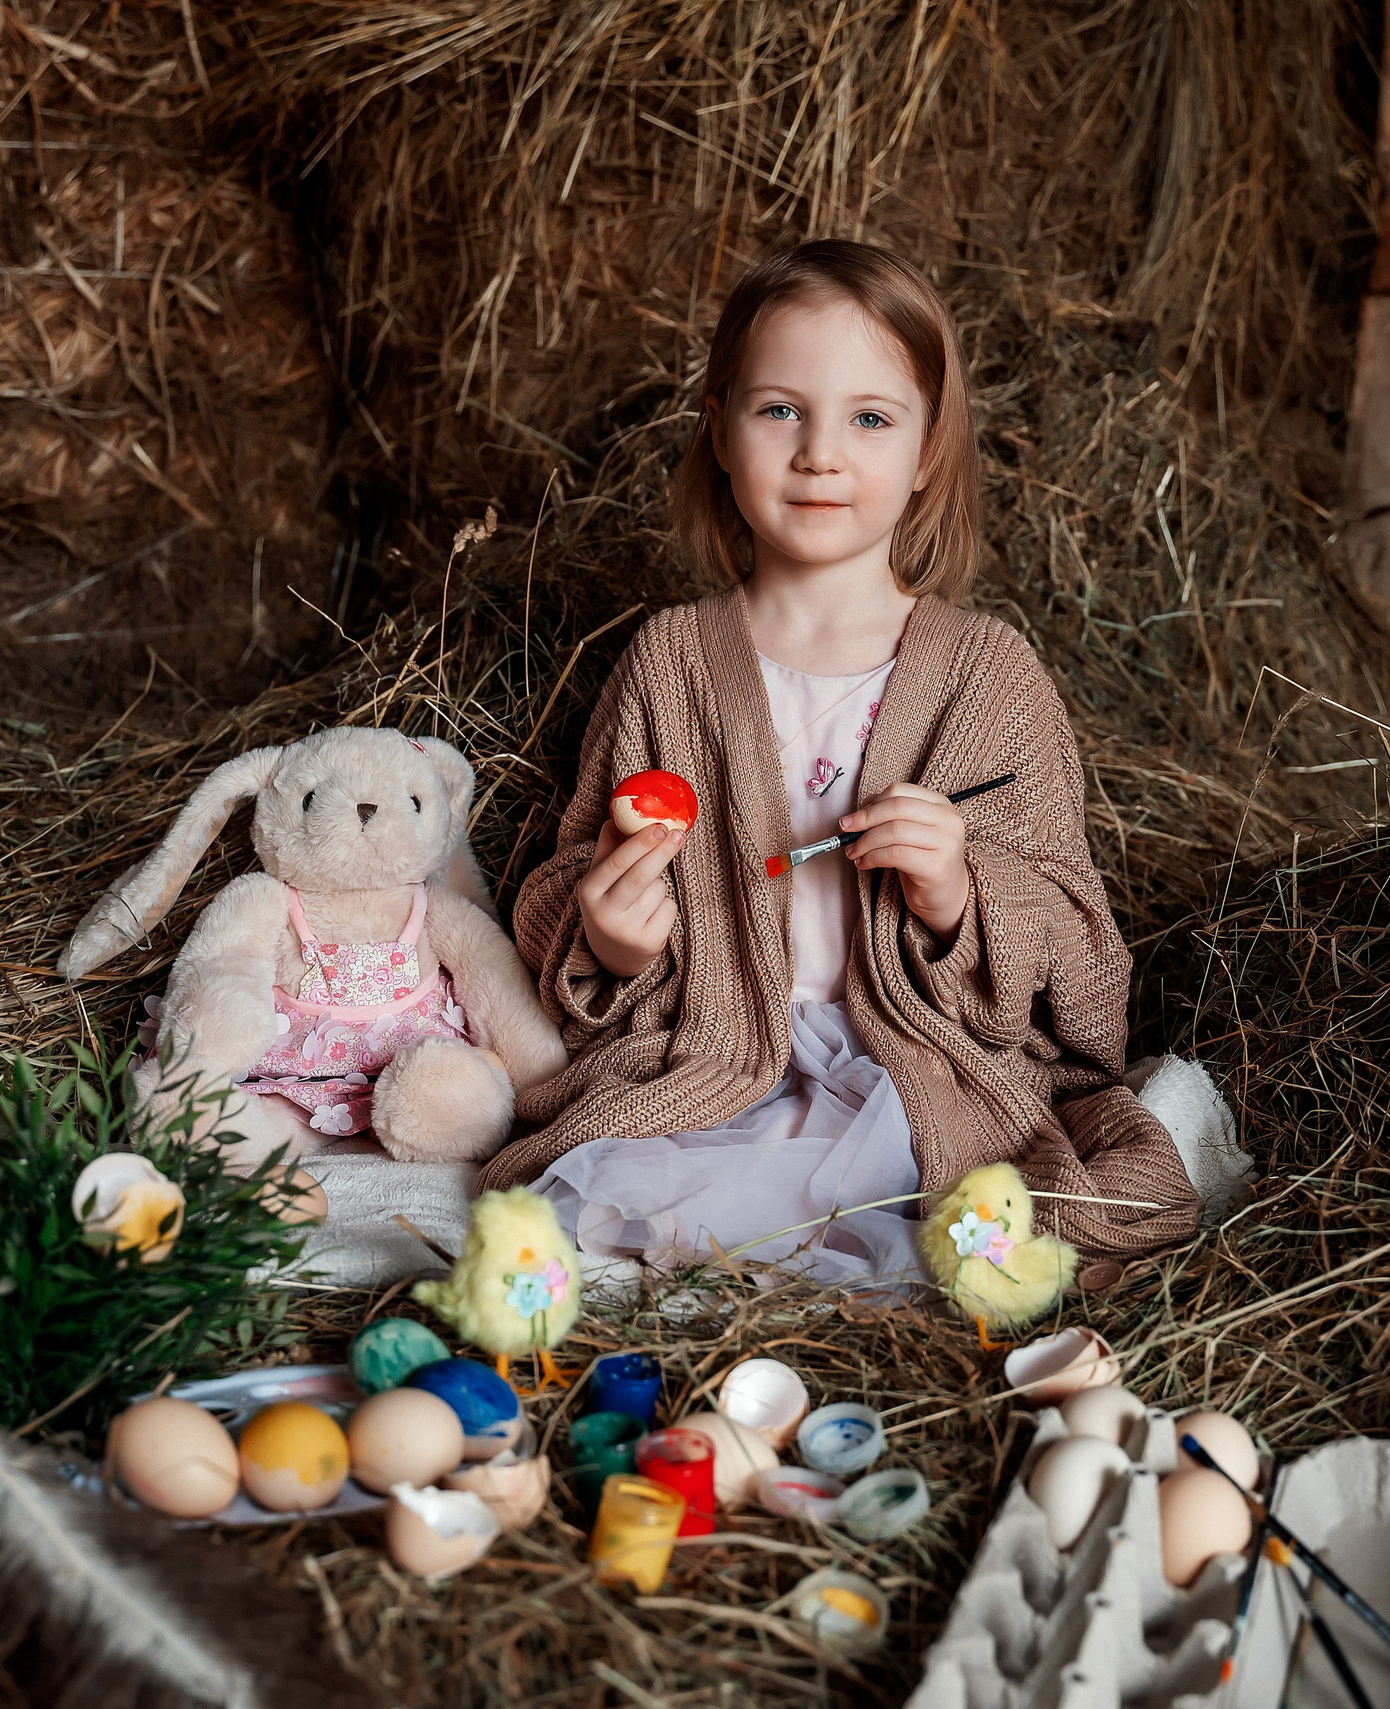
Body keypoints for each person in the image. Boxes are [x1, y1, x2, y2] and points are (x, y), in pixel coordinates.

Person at [485, 239, 1203, 1290]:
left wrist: (959, 893)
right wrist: (613, 938)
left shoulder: (989, 676)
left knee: (968, 1203)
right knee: (605, 1193)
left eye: (869, 418)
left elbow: (1081, 947)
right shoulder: (670, 661)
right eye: (781, 410)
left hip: (919, 1069)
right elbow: (568, 878)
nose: (820, 453)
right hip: (715, 1055)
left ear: (928, 450)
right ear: (719, 429)